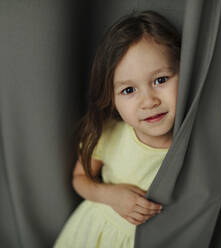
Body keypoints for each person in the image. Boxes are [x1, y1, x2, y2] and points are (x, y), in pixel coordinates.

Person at [53, 9, 181, 248]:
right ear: (112, 99)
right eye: (129, 90)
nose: (149, 101)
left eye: (160, 80)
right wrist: (112, 195)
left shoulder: (192, 142)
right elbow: (79, 178)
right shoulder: (110, 133)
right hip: (97, 236)